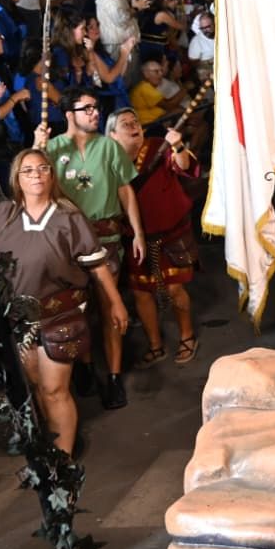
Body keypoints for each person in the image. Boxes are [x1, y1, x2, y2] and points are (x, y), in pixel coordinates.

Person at [0, 149, 127, 456]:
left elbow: (97, 265)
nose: (36, 175)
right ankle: (46, 445)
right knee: (35, 387)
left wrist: (116, 303)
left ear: (52, 175)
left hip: (61, 313)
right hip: (19, 318)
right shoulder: (1, 215)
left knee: (54, 389)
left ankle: (62, 462)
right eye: (28, 171)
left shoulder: (68, 216)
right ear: (16, 179)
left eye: (42, 169)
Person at [36, 87, 145, 410]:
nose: (95, 113)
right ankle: (84, 366)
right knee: (78, 308)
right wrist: (35, 147)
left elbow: (126, 191)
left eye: (96, 108)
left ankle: (112, 376)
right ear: (69, 115)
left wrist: (137, 232)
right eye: (87, 109)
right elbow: (31, 183)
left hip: (107, 237)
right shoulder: (52, 148)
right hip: (69, 241)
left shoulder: (109, 147)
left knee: (110, 306)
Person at [105, 109, 201, 366]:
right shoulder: (109, 160)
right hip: (136, 239)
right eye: (125, 124)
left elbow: (184, 166)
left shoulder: (158, 146)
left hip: (171, 234)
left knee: (174, 288)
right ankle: (155, 344)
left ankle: (187, 336)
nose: (133, 125)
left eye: (135, 121)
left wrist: (178, 145)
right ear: (113, 134)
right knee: (141, 293)